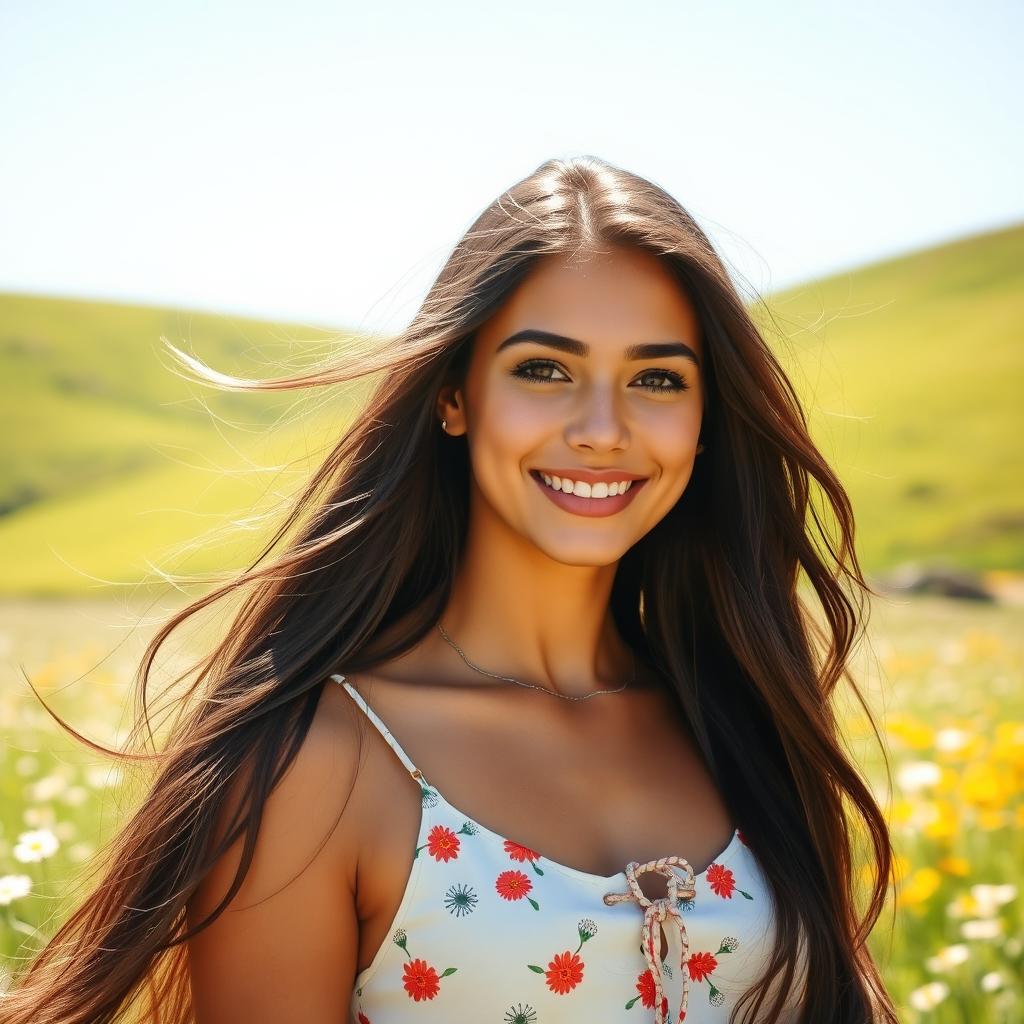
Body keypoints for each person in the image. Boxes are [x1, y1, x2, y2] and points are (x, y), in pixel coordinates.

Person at [2, 155, 899, 1024]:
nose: (601, 429)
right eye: (543, 369)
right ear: (453, 396)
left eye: (657, 379)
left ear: (706, 422)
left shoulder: (745, 721)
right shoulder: (321, 764)